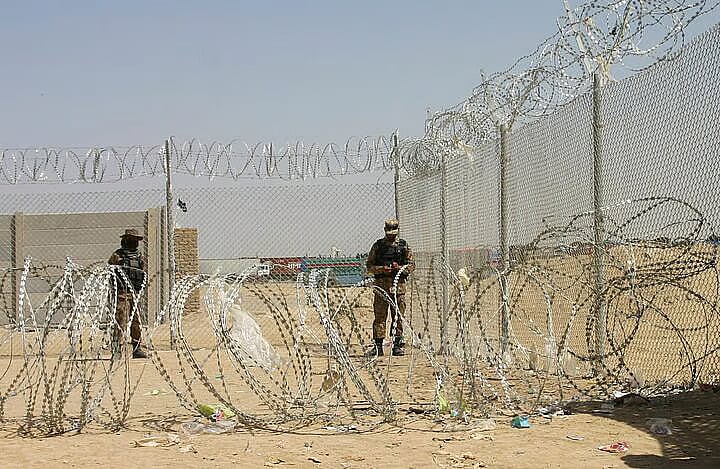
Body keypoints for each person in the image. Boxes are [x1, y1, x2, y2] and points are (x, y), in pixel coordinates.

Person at [366, 218, 415, 356]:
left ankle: (397, 346)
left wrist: (399, 268)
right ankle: (378, 347)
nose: (391, 235)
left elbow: (412, 265)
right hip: (381, 288)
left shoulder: (403, 246)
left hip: (398, 288)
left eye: (393, 233)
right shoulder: (378, 246)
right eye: (389, 232)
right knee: (380, 317)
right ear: (385, 230)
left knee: (398, 317)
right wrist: (382, 269)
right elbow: (369, 267)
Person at [108, 228, 147, 359]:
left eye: (135, 240)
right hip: (122, 293)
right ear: (125, 240)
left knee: (136, 322)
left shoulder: (139, 256)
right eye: (131, 239)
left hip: (134, 292)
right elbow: (110, 271)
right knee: (121, 320)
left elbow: (142, 272)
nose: (134, 242)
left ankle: (137, 348)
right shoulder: (117, 255)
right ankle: (116, 348)